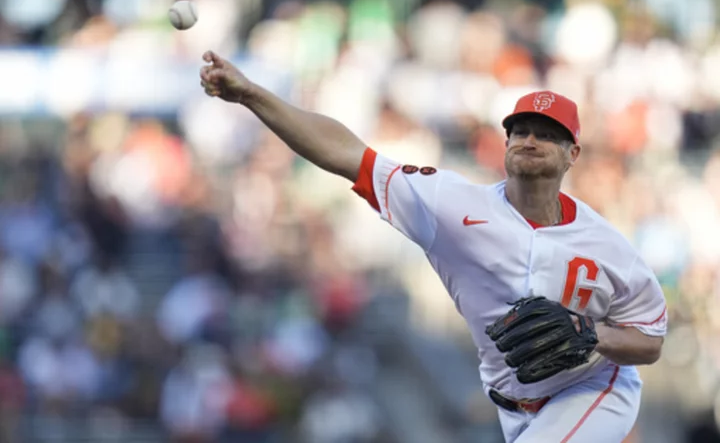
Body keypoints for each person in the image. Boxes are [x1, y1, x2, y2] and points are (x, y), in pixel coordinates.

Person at [199, 51, 667, 443]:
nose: (530, 140)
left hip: (593, 388)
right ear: (503, 142)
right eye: (521, 129)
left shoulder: (608, 247)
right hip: (512, 405)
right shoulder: (451, 205)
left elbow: (650, 341)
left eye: (547, 133)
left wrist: (593, 335)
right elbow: (347, 155)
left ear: (573, 154)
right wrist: (251, 95)